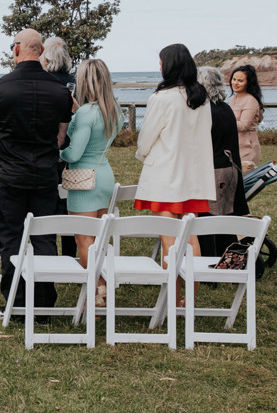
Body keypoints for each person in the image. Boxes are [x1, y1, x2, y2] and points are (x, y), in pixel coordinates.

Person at [0, 29, 73, 320]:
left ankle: (16, 304)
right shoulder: (60, 92)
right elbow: (61, 138)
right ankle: (43, 305)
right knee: (45, 238)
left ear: (16, 50)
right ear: (42, 49)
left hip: (9, 175)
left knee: (10, 237)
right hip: (45, 175)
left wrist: (6, 155)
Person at [134, 43, 216, 302]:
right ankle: (188, 300)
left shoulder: (162, 98)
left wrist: (143, 155)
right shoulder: (201, 97)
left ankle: (174, 300)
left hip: (166, 177)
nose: (159, 67)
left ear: (169, 66)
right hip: (194, 178)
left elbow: (146, 136)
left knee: (169, 241)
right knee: (191, 239)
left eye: (161, 62)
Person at [59, 59, 122, 307]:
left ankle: (97, 293)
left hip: (84, 180)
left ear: (84, 81)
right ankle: (102, 287)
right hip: (104, 173)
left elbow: (74, 154)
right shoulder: (113, 110)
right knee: (98, 239)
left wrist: (59, 153)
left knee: (84, 240)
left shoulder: (86, 113)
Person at [198, 66, 250, 257]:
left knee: (207, 220)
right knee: (226, 219)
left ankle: (209, 261)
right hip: (230, 169)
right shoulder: (225, 108)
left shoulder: (206, 112)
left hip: (214, 170)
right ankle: (228, 258)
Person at [40, 35, 76, 258]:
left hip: (48, 148)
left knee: (47, 202)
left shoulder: (43, 82)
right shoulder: (75, 81)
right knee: (69, 202)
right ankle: (70, 253)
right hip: (72, 149)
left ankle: (48, 250)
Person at [229, 64, 264, 173]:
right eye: (234, 79)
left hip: (247, 148)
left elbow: (244, 125)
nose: (235, 83)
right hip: (235, 146)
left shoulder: (250, 100)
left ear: (248, 83)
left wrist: (223, 121)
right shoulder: (232, 99)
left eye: (240, 81)